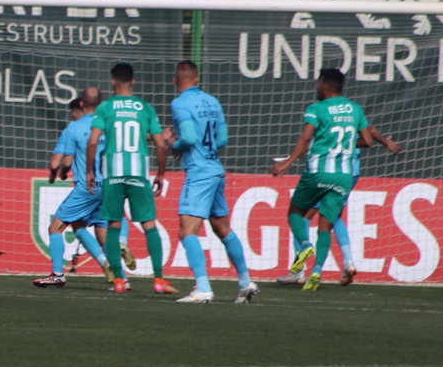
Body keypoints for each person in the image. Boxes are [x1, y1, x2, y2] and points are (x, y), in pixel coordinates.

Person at [161, 61, 258, 304]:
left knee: (187, 231)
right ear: (196, 79)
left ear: (176, 81)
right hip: (216, 169)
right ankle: (245, 282)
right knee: (221, 228)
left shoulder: (180, 103)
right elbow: (222, 139)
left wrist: (173, 143)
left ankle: (203, 288)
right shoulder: (212, 101)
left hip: (199, 173)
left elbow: (190, 137)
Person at [270, 68, 373, 292]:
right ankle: (316, 270)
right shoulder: (355, 110)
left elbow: (306, 136)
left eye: (318, 83)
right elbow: (367, 140)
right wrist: (345, 144)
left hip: (318, 172)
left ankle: (305, 246)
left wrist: (287, 162)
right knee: (325, 225)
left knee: (295, 212)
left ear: (324, 85)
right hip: (344, 176)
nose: (317, 86)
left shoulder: (316, 108)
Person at [86, 63, 177, 295]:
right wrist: (161, 173)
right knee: (149, 225)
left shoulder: (105, 107)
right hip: (138, 173)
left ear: (113, 82)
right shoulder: (144, 108)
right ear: (133, 82)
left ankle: (119, 280)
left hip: (113, 174)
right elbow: (159, 143)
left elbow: (93, 141)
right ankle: (159, 279)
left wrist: (89, 171)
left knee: (114, 226)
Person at [276, 123, 401, 287]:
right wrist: (386, 142)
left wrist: (290, 159)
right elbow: (369, 131)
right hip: (349, 173)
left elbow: (311, 140)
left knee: (304, 216)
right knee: (333, 217)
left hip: (330, 171)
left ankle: (298, 271)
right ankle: (347, 262)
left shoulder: (326, 114)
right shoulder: (351, 113)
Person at [34, 88, 133, 288]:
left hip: (88, 187)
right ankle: (122, 278)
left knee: (56, 227)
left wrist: (59, 173)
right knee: (103, 232)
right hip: (110, 186)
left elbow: (65, 161)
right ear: (102, 103)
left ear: (81, 104)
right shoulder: (110, 125)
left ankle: (57, 274)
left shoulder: (74, 128)